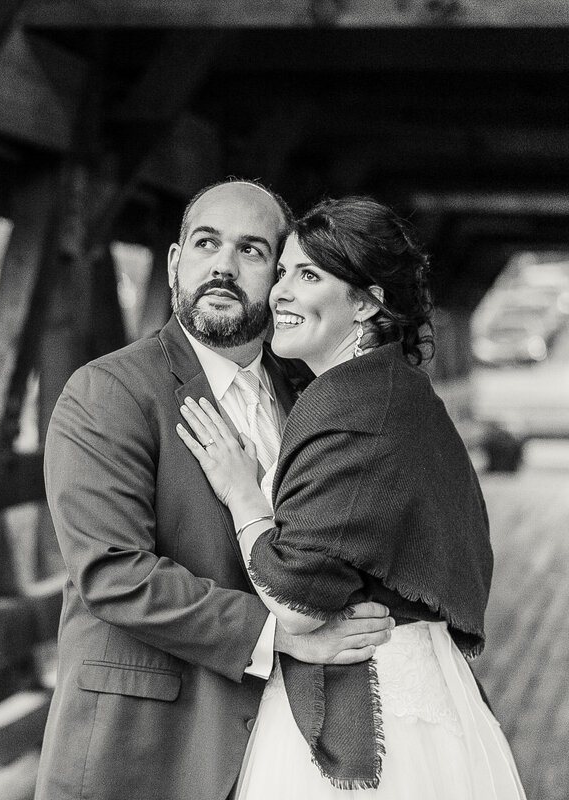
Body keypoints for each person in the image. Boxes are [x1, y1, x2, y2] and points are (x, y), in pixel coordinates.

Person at [34, 180, 395, 800]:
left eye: (252, 251)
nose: (224, 266)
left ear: (281, 278)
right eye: (207, 244)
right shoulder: (107, 394)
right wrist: (285, 636)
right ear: (176, 263)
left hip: (279, 750)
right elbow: (113, 574)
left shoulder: (308, 397)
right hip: (144, 751)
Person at [176, 196, 527, 798]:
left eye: (308, 276)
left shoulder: (358, 408)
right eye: (282, 272)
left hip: (371, 706)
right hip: (411, 686)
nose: (280, 292)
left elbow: (296, 600)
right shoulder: (389, 392)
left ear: (367, 302)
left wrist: (242, 494)